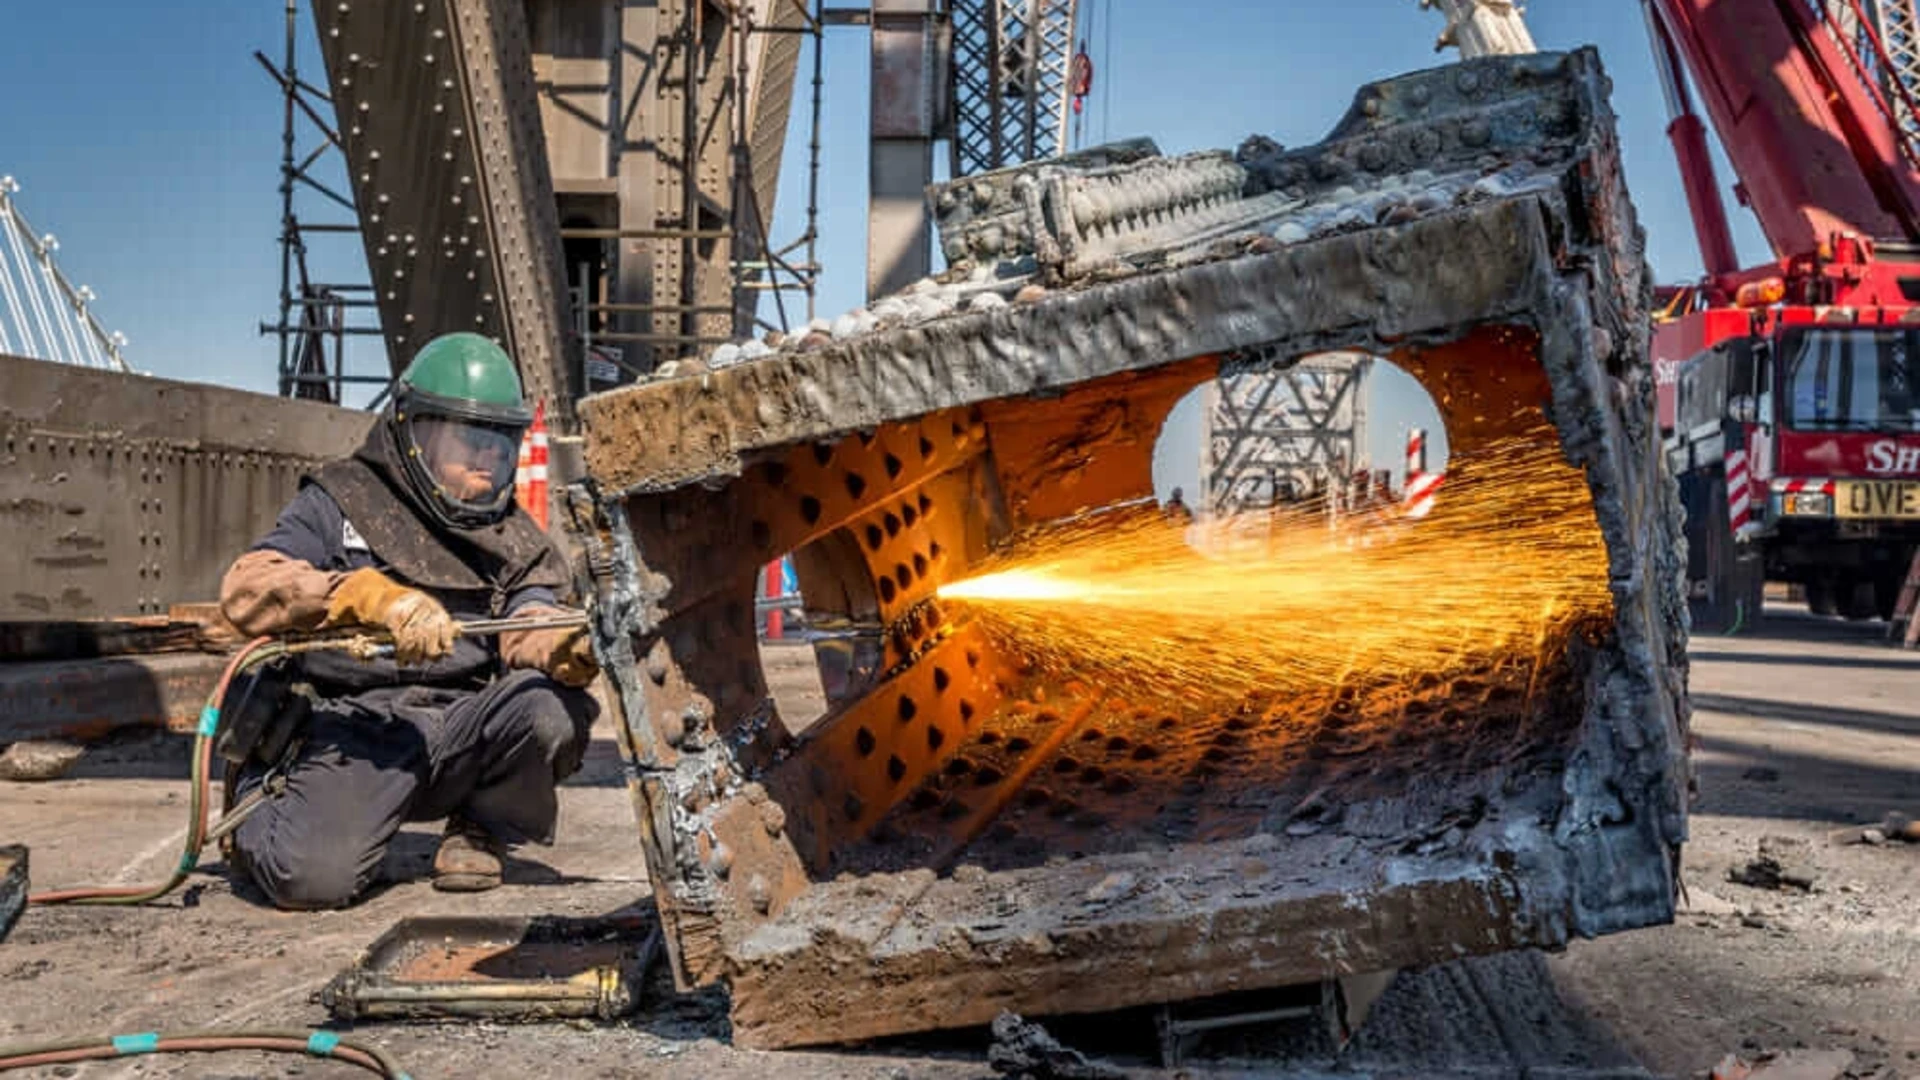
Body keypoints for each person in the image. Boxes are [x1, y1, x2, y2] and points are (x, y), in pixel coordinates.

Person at [216, 332, 599, 909]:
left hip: (458, 728)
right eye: (470, 438)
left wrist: (561, 644)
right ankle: (262, 814)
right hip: (352, 731)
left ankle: (479, 827)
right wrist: (363, 597)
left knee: (548, 709)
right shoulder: (340, 500)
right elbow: (247, 587)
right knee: (310, 881)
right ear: (413, 434)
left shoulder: (516, 540)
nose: (486, 459)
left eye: (500, 443)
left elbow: (530, 615)